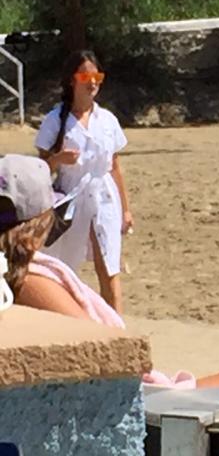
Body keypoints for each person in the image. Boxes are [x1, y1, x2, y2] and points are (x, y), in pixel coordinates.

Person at [0, 153, 219, 391]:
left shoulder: (14, 276)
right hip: (139, 400)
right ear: (41, 223)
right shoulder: (29, 280)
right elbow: (105, 354)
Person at [35, 50, 132, 313]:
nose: (92, 83)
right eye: (84, 77)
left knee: (109, 267)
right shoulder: (55, 120)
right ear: (72, 80)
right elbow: (40, 169)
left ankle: (115, 328)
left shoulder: (107, 120)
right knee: (64, 269)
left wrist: (125, 210)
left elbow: (115, 167)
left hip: (104, 198)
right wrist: (58, 159)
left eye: (97, 77)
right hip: (70, 200)